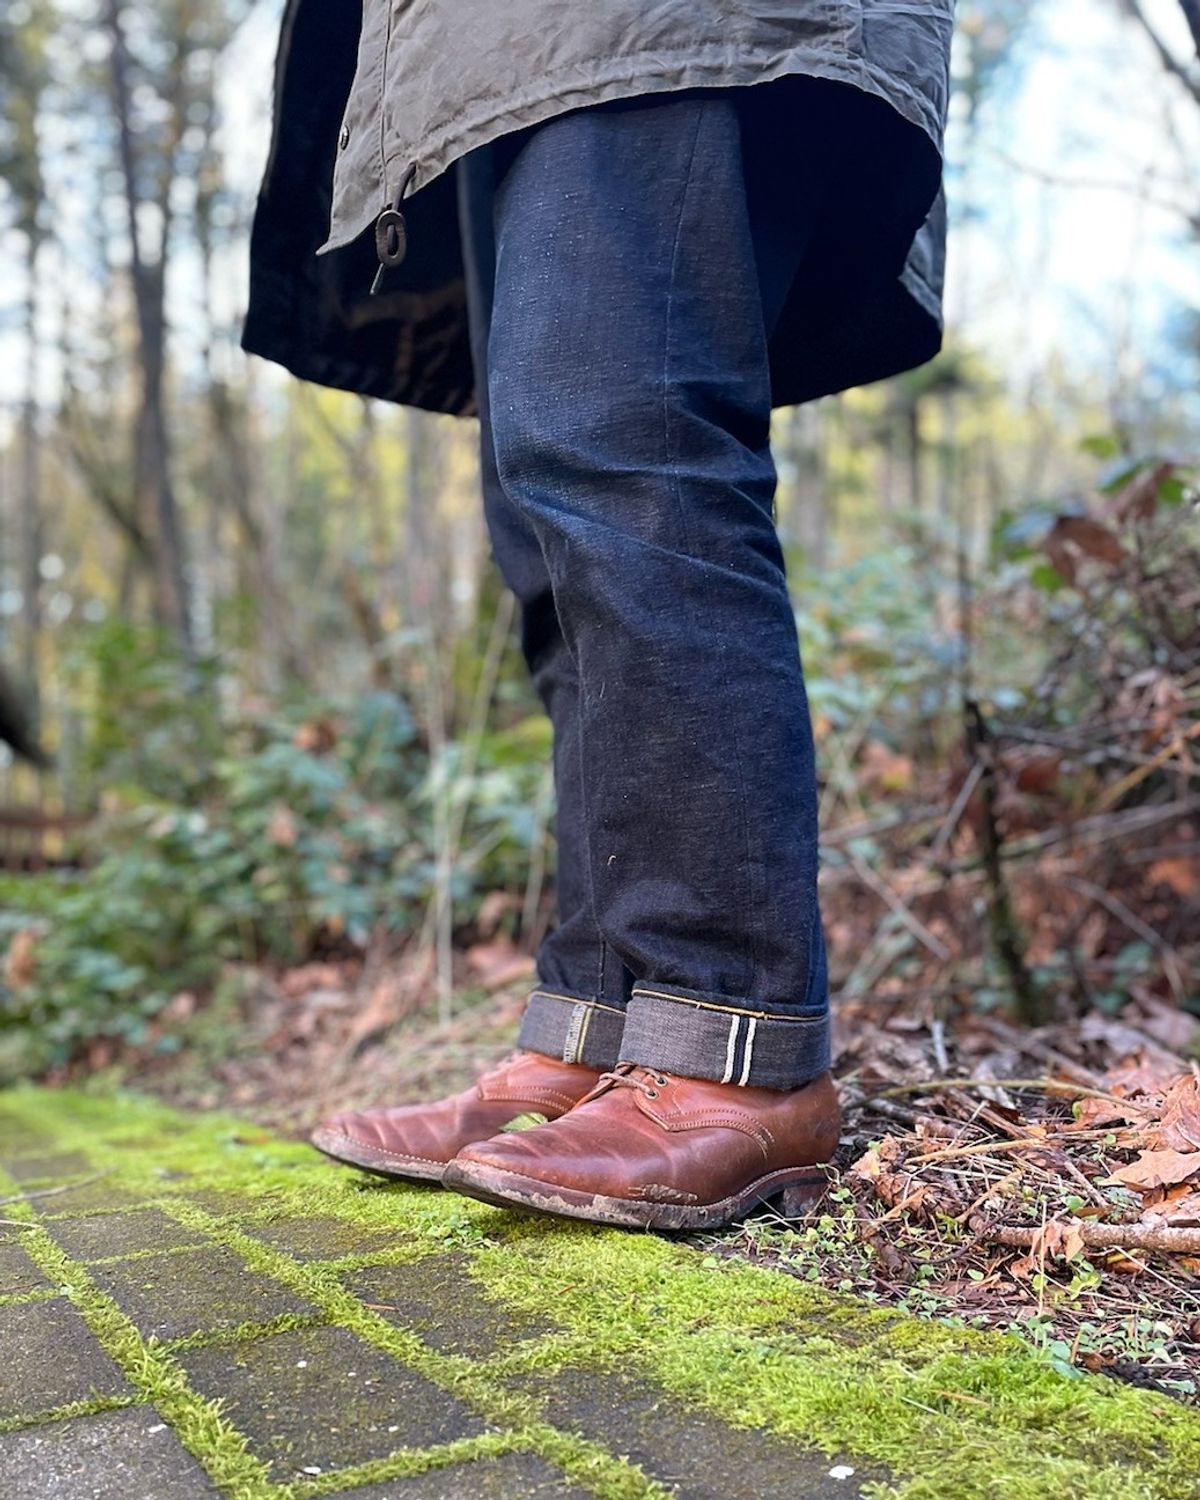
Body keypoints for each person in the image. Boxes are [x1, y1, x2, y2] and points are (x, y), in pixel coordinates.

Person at [243, 0, 953, 1231]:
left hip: (659, 25)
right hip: (480, 52)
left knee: (633, 458)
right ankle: (597, 1026)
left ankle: (735, 1043)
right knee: (549, 519)